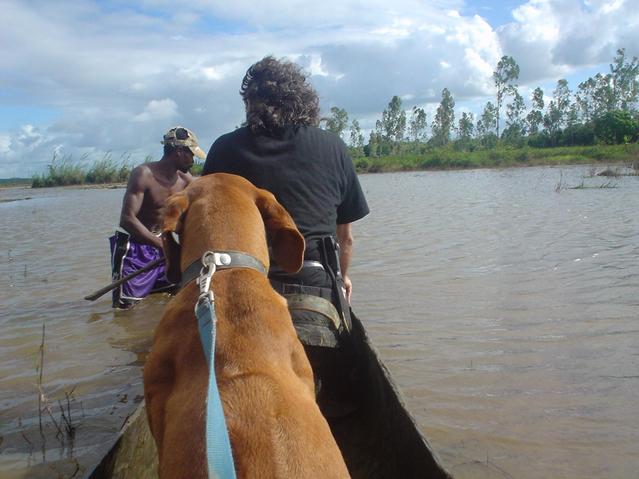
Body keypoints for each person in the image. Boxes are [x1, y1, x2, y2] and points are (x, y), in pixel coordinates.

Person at [202, 56, 369, 416]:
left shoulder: (224, 149)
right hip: (316, 298)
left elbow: (205, 232)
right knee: (330, 380)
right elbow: (346, 236)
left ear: (250, 104)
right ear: (303, 99)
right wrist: (342, 278)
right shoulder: (333, 146)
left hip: (243, 293)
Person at [110, 126, 205, 309]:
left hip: (164, 245)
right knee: (126, 310)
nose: (193, 160)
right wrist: (160, 244)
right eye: (191, 154)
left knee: (170, 298)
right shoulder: (143, 174)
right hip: (134, 248)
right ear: (179, 152)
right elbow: (127, 219)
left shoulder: (186, 180)